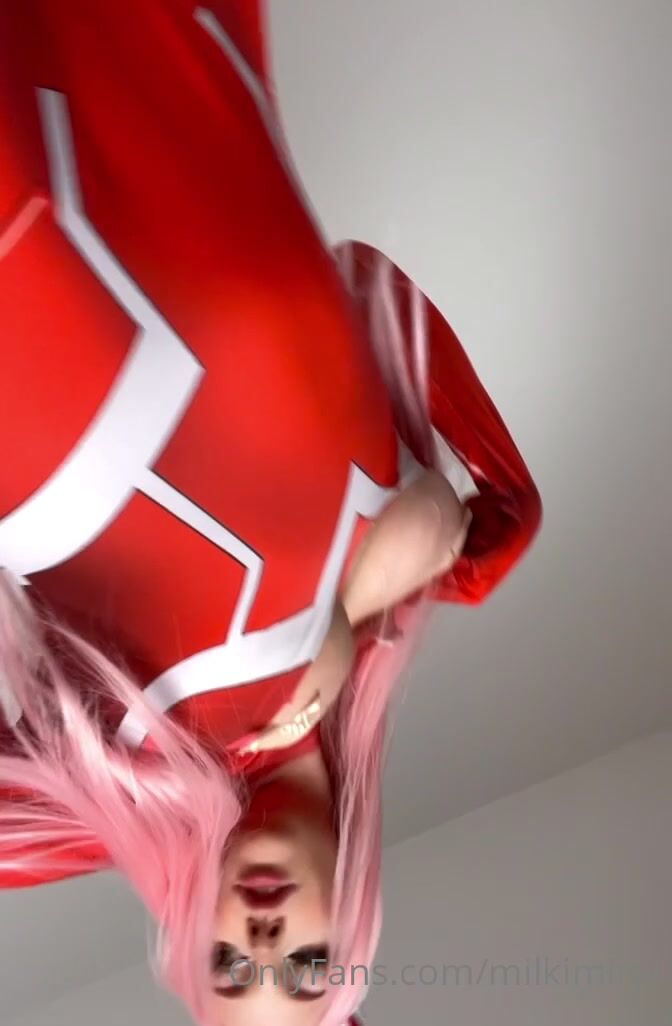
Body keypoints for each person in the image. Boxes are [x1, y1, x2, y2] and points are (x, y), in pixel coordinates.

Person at [0, 3, 542, 1024]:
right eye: (305, 969)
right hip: (141, 83)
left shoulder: (107, 791)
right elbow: (366, 284)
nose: (262, 943)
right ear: (357, 925)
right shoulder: (444, 557)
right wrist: (361, 601)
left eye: (229, 971)